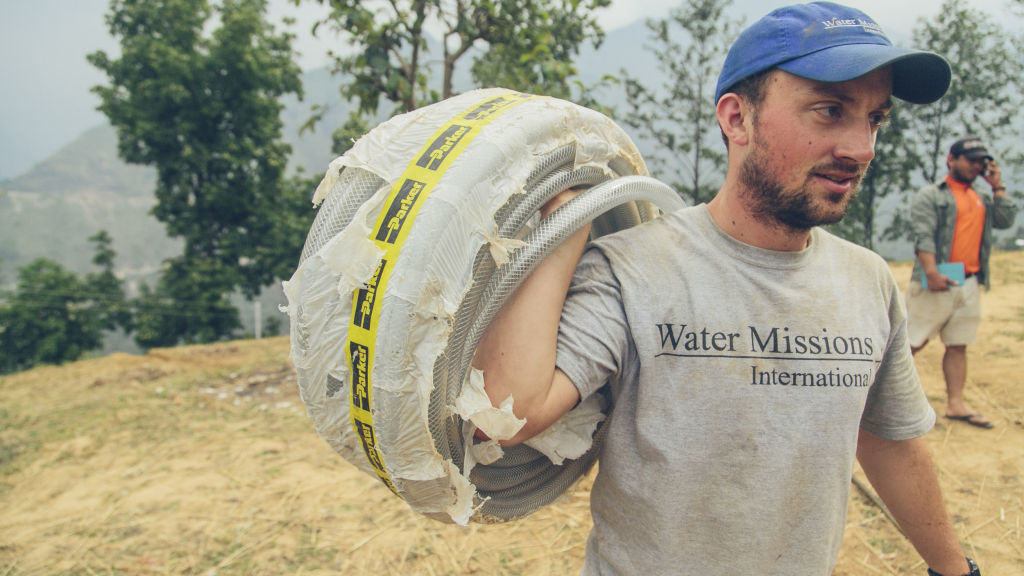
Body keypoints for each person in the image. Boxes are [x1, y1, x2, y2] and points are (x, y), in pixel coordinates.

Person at [473, 2, 983, 575]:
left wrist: (955, 569)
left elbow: (889, 440)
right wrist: (565, 230)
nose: (861, 147)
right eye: (830, 110)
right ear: (737, 119)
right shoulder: (632, 268)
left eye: (874, 118)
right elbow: (503, 415)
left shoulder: (867, 281)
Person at [906, 138, 1017, 429]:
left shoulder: (981, 196)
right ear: (951, 159)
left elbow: (1006, 221)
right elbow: (923, 234)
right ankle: (870, 401)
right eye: (970, 159)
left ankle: (955, 405)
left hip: (968, 280)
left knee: (958, 344)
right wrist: (930, 272)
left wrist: (997, 186)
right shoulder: (932, 195)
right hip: (937, 277)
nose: (976, 165)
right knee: (909, 343)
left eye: (980, 161)